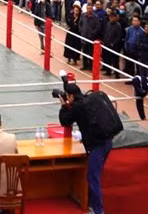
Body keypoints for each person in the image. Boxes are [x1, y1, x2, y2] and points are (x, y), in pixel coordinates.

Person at [58, 83, 113, 214]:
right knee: (94, 176)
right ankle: (92, 206)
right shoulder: (89, 100)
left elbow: (65, 121)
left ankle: (98, 211)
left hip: (97, 146)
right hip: (107, 141)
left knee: (93, 178)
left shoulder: (77, 107)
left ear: (70, 96)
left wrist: (63, 106)